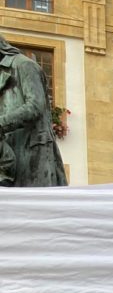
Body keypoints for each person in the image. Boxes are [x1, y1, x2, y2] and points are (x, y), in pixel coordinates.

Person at [0, 34, 67, 187]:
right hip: (8, 154)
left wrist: (1, 123)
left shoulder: (24, 65)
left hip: (32, 148)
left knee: (36, 204)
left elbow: (35, 105)